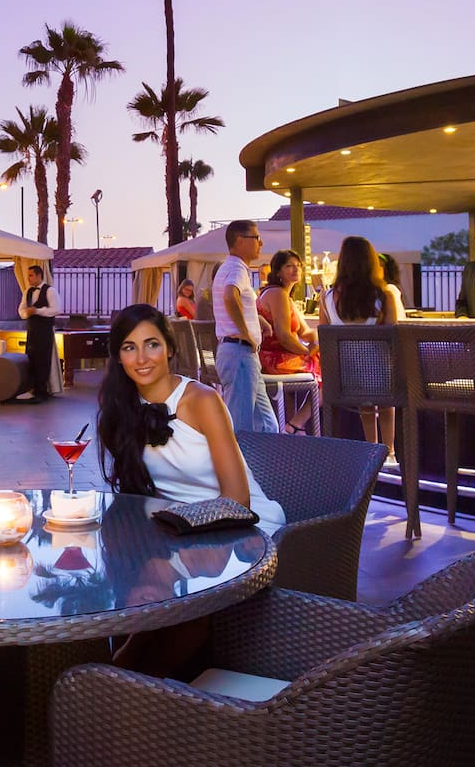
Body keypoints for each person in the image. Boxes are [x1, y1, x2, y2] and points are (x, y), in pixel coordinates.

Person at [96, 303, 283, 676]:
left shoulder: (201, 401)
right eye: (129, 347)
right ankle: (113, 682)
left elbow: (237, 499)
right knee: (144, 588)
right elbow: (137, 494)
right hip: (176, 529)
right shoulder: (123, 408)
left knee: (186, 614)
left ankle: (119, 688)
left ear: (170, 348)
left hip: (240, 524)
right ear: (118, 357)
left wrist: (174, 534)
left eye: (151, 344)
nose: (142, 357)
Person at [320, 236, 404, 453]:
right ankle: (389, 451)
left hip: (342, 380)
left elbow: (325, 340)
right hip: (379, 378)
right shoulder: (383, 296)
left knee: (365, 398)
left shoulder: (326, 298)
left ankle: (370, 449)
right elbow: (392, 337)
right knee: (384, 395)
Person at [209, 220, 279, 434]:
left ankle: (264, 466)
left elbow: (235, 299)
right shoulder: (236, 269)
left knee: (268, 425)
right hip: (239, 352)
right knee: (241, 428)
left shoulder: (230, 268)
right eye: (256, 238)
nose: (261, 243)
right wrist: (245, 333)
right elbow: (231, 296)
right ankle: (237, 467)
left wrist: (258, 320)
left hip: (241, 353)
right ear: (240, 241)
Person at [256, 250, 320, 434]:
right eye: (289, 266)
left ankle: (296, 424)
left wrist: (322, 333)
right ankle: (296, 424)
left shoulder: (285, 296)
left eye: (298, 265)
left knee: (325, 363)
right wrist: (307, 352)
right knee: (329, 373)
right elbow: (284, 336)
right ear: (278, 272)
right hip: (274, 359)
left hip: (277, 356)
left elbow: (305, 332)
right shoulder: (277, 294)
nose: (295, 269)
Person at [18, 265, 59, 399]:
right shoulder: (27, 291)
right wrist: (26, 314)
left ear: (39, 276)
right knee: (30, 357)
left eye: (31, 275)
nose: (28, 278)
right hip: (31, 329)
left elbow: (57, 309)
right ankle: (32, 388)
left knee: (43, 359)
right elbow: (21, 309)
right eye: (28, 276)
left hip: (44, 330)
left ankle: (42, 390)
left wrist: (37, 311)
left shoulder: (50, 291)